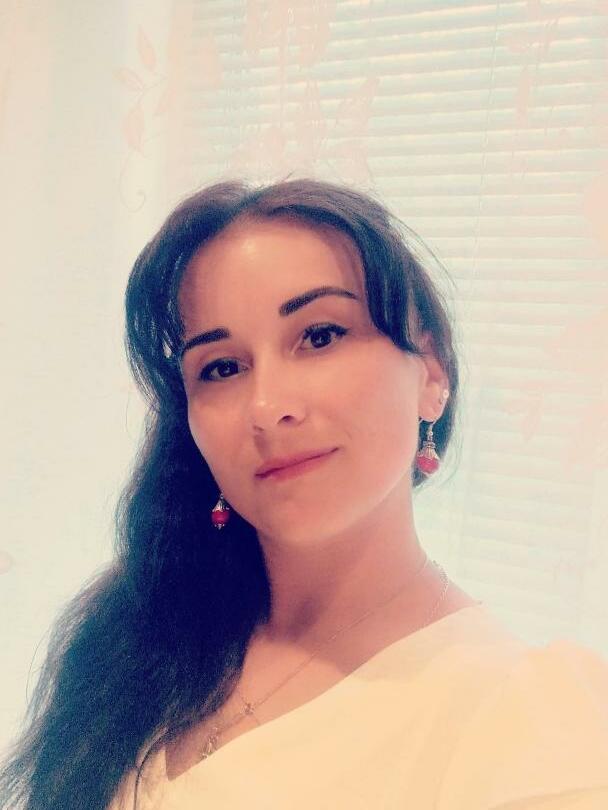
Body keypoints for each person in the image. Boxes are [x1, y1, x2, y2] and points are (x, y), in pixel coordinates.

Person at [1, 179, 607, 810]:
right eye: (222, 367)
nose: (268, 407)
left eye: (320, 336)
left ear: (431, 373)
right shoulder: (140, 636)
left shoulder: (526, 725)